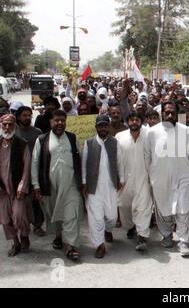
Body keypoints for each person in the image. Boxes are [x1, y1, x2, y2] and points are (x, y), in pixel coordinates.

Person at [145, 101, 189, 257]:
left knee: (183, 208)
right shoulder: (152, 132)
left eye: (172, 112)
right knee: (163, 208)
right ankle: (167, 234)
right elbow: (148, 156)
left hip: (183, 175)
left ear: (177, 114)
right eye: (167, 112)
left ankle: (183, 241)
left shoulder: (186, 131)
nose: (169, 115)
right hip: (160, 177)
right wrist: (149, 176)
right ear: (162, 113)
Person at [31, 110, 84, 262]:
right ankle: (59, 236)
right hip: (50, 186)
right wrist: (36, 185)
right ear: (51, 122)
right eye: (57, 120)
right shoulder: (42, 140)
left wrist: (82, 182)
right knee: (54, 213)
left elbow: (79, 160)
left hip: (71, 185)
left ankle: (71, 246)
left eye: (63, 120)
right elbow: (35, 163)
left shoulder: (73, 138)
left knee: (71, 213)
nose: (60, 123)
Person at [0, 114, 32, 257]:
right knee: (5, 219)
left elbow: (27, 167)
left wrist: (22, 186)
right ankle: (15, 242)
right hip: (2, 189)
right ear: (0, 126)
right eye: (4, 124)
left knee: (19, 215)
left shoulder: (22, 143)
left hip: (17, 188)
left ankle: (24, 235)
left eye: (10, 124)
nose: (7, 127)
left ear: (15, 126)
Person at [82, 115, 125, 258]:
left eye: (105, 126)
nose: (103, 129)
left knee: (112, 216)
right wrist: (84, 182)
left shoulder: (115, 142)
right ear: (96, 127)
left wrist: (122, 179)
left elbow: (120, 162)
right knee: (96, 218)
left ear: (109, 127)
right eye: (100, 126)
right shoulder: (89, 143)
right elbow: (84, 164)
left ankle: (108, 229)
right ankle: (99, 245)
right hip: (94, 188)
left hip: (111, 186)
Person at [116, 111, 154, 251]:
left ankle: (142, 236)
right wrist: (118, 178)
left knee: (143, 207)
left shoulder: (149, 135)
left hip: (144, 178)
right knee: (125, 206)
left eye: (137, 120)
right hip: (124, 179)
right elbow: (117, 160)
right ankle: (132, 226)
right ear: (127, 122)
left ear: (141, 121)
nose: (134, 122)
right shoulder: (120, 137)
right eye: (131, 120)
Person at [15, 106, 45, 237]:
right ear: (18, 117)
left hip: (35, 171)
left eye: (29, 115)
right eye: (24, 115)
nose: (27, 118)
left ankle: (37, 225)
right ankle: (22, 226)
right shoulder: (14, 132)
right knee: (21, 200)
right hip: (19, 172)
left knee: (36, 200)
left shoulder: (38, 132)